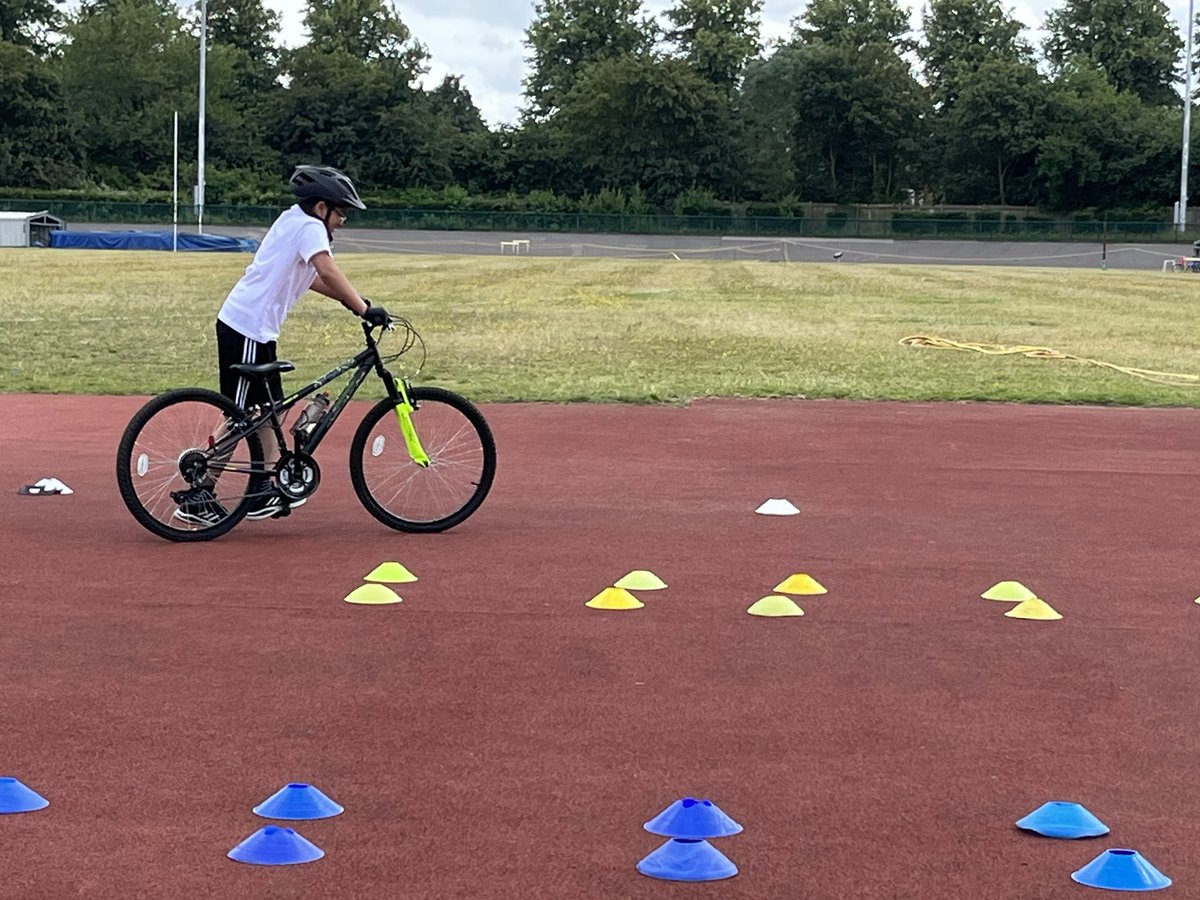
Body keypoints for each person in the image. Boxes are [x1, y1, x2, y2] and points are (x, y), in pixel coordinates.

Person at [175, 165, 391, 525]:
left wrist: (351, 301)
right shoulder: (310, 228)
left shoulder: (293, 218)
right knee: (242, 416)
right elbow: (326, 270)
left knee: (270, 411)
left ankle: (261, 490)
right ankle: (199, 493)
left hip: (254, 329)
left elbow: (310, 278)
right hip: (247, 327)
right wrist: (364, 309)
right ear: (321, 207)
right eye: (341, 212)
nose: (342, 221)